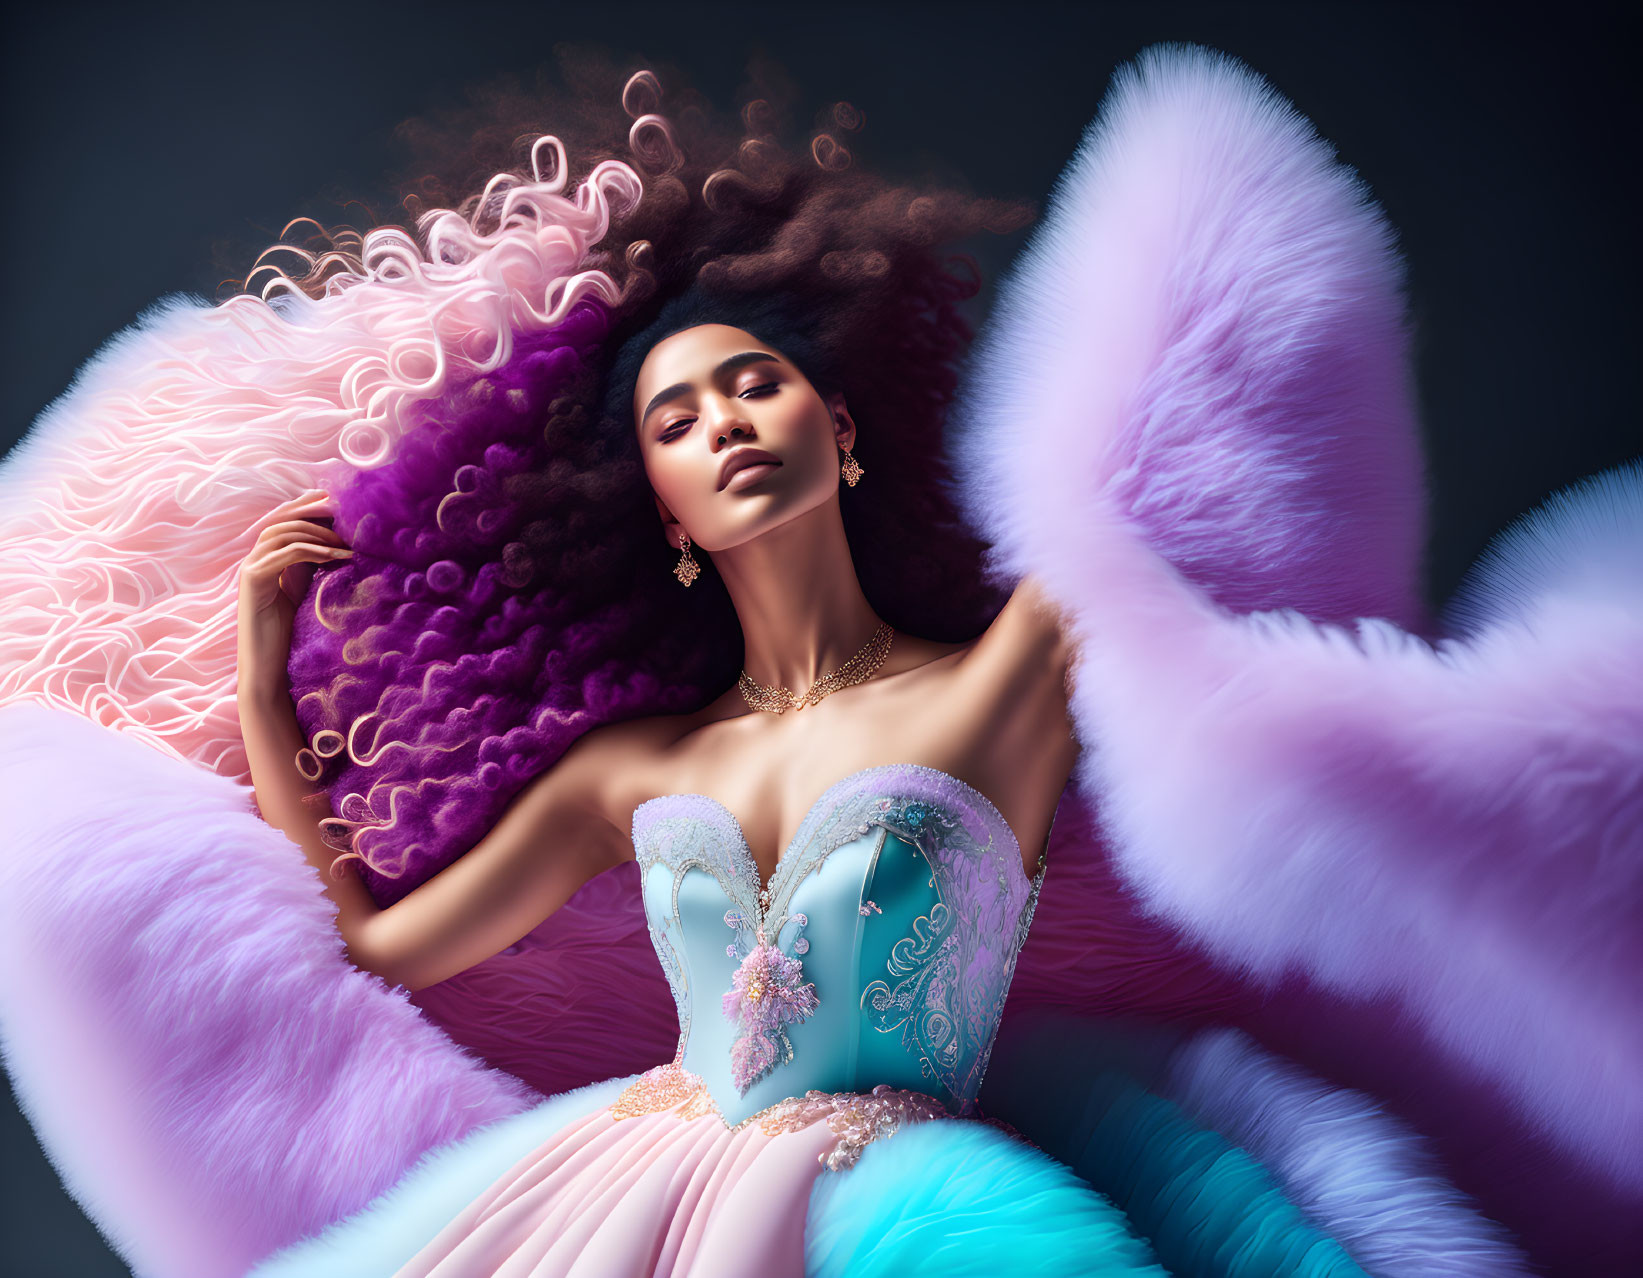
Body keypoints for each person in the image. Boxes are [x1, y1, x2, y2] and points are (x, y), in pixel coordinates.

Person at [1, 40, 1635, 1278]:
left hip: (904, 1191)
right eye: (676, 418)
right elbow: (376, 938)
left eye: (754, 388)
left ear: (838, 429)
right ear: (659, 512)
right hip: (617, 1185)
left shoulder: (999, 677)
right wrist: (271, 671)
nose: (723, 424)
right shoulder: (636, 770)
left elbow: (1182, 614)